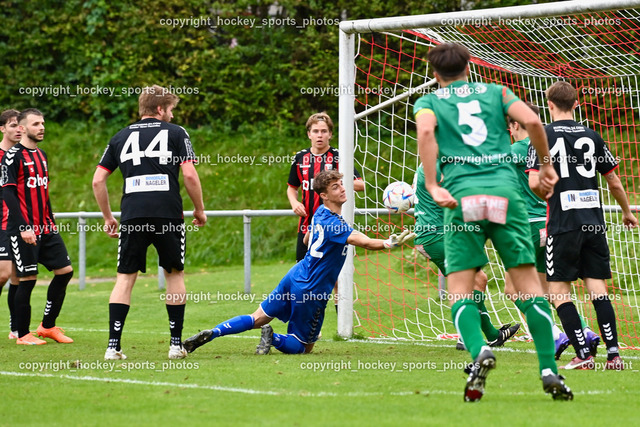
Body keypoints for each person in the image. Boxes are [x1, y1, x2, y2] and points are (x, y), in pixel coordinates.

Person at [415, 43, 571, 401]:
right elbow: (532, 121)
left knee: (461, 287)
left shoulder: (429, 102)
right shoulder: (497, 92)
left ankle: (479, 351)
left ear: (435, 74)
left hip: (463, 198)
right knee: (529, 286)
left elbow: (425, 134)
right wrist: (546, 165)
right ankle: (548, 369)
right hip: (505, 196)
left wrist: (433, 183)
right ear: (469, 67)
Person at [182, 170, 415, 356]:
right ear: (323, 195)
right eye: (335, 187)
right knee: (304, 346)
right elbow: (360, 241)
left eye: (341, 184)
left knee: (257, 317)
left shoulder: (320, 214)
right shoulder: (335, 224)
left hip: (295, 275)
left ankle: (213, 333)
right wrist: (386, 243)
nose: (343, 189)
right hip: (312, 289)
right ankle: (271, 337)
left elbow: (306, 238)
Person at [527, 81, 638, 370]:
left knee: (558, 291)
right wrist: (627, 212)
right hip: (593, 224)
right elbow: (613, 180)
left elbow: (533, 182)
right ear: (576, 104)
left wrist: (548, 190)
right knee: (597, 288)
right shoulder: (592, 135)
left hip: (562, 224)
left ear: (549, 105)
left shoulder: (541, 136)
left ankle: (583, 355)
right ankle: (614, 355)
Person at [92, 85, 207, 360]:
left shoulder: (119, 137)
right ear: (159, 109)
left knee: (125, 278)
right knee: (174, 274)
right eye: (170, 109)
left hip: (133, 214)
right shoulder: (177, 133)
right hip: (167, 213)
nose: (172, 114)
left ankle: (112, 347)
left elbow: (98, 180)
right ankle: (176, 345)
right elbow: (189, 175)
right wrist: (199, 210)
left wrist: (108, 217)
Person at [506, 102, 597, 360]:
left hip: (524, 228)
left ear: (515, 125)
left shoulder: (511, 151)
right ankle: (585, 331)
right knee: (549, 289)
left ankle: (556, 335)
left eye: (509, 126)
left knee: (514, 290)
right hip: (552, 224)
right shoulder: (549, 147)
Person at [412, 163, 520, 350]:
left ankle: (492, 336)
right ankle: (466, 336)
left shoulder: (432, 164)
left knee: (475, 281)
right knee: (475, 280)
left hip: (437, 235)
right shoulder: (438, 166)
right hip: (438, 236)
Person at [1, 108, 74, 345]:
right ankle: (22, 334)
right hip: (22, 230)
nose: (41, 127)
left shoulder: (41, 155)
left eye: (42, 123)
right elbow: (8, 193)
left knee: (65, 272)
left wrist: (50, 220)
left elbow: (43, 191)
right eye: (35, 124)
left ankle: (47, 326)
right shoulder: (13, 156)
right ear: (22, 128)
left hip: (46, 227)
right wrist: (23, 227)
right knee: (27, 279)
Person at [287, 112, 364, 263]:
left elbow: (360, 185)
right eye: (315, 131)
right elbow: (292, 187)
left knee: (333, 274)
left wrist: (337, 182)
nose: (319, 135)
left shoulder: (339, 157)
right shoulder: (300, 158)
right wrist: (294, 203)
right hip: (307, 225)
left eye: (324, 131)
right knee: (303, 270)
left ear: (330, 134)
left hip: (332, 225)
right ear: (309, 134)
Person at [0, 109, 21, 339]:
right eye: (13, 125)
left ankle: (16, 328)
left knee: (17, 275)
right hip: (1, 222)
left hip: (16, 222)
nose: (18, 130)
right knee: (3, 273)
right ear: (2, 128)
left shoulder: (21, 155)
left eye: (19, 126)